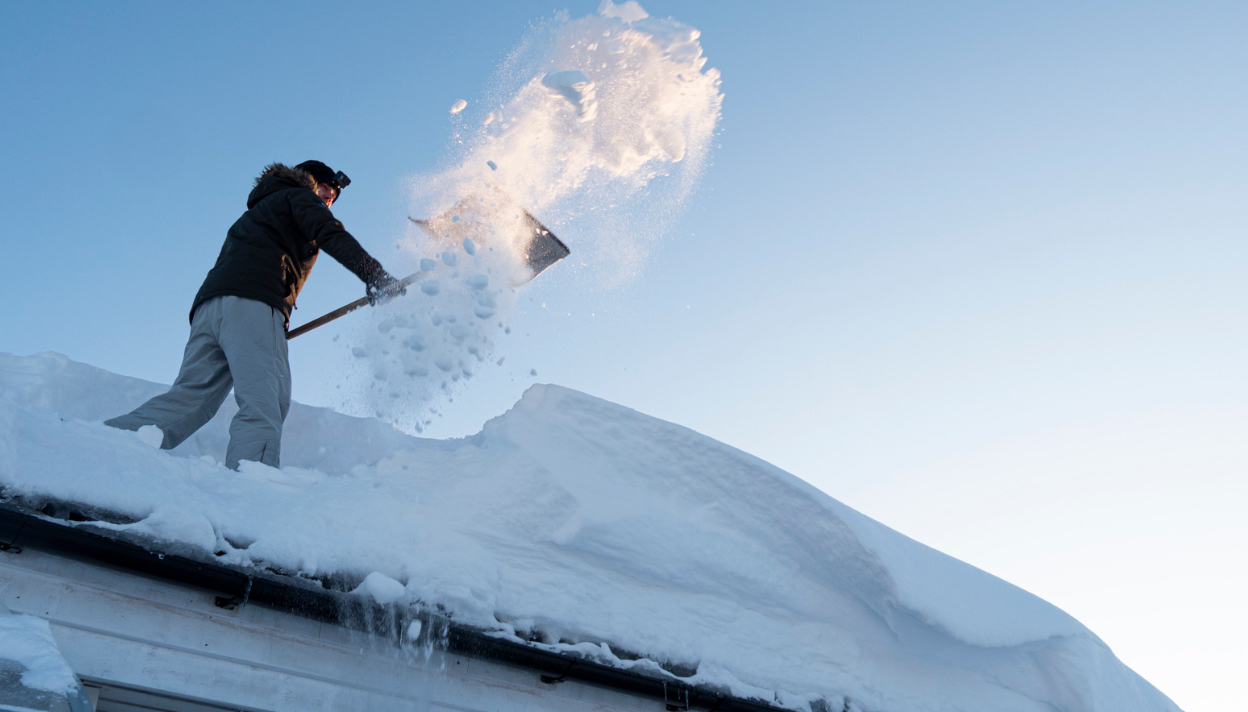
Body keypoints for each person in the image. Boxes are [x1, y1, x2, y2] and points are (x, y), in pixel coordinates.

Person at [105, 160, 406, 469]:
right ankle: (250, 489)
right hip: (254, 304)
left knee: (189, 400)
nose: (329, 197)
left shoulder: (257, 211)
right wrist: (375, 276)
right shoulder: (299, 198)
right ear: (307, 181)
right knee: (266, 401)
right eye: (326, 188)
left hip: (211, 308)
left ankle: (99, 446)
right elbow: (330, 233)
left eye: (333, 195)